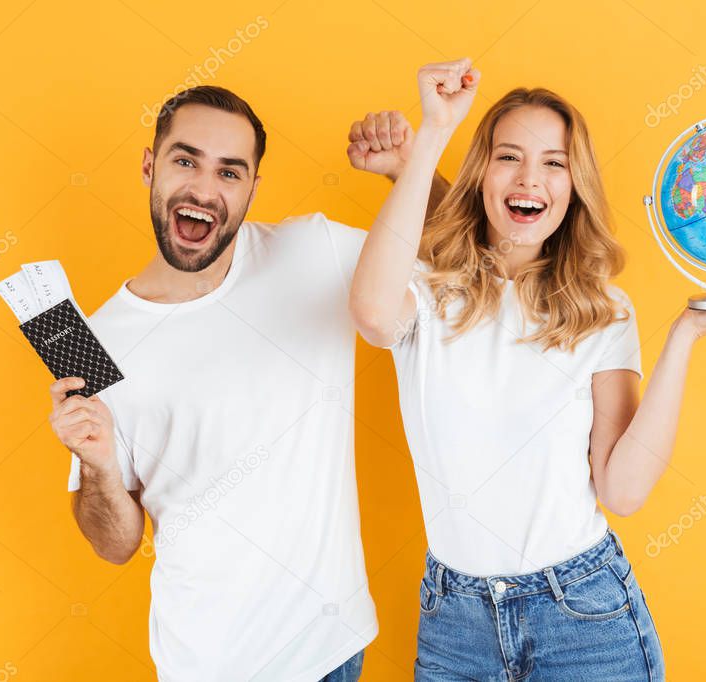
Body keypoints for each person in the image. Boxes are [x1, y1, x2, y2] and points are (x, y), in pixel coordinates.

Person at [348, 58, 706, 681]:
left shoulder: (603, 311)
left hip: (582, 617)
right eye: (508, 156)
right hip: (455, 623)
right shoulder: (427, 291)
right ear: (480, 176)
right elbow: (372, 314)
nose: (530, 177)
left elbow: (622, 490)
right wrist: (431, 133)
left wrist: (686, 334)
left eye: (553, 162)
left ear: (573, 184)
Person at [47, 85, 446, 681]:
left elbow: (458, 249)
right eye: (185, 160)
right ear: (149, 166)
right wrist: (100, 467)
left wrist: (409, 172)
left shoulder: (312, 252)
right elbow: (115, 544)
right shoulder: (88, 341)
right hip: (204, 664)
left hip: (329, 647)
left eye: (229, 172)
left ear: (252, 188)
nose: (204, 190)